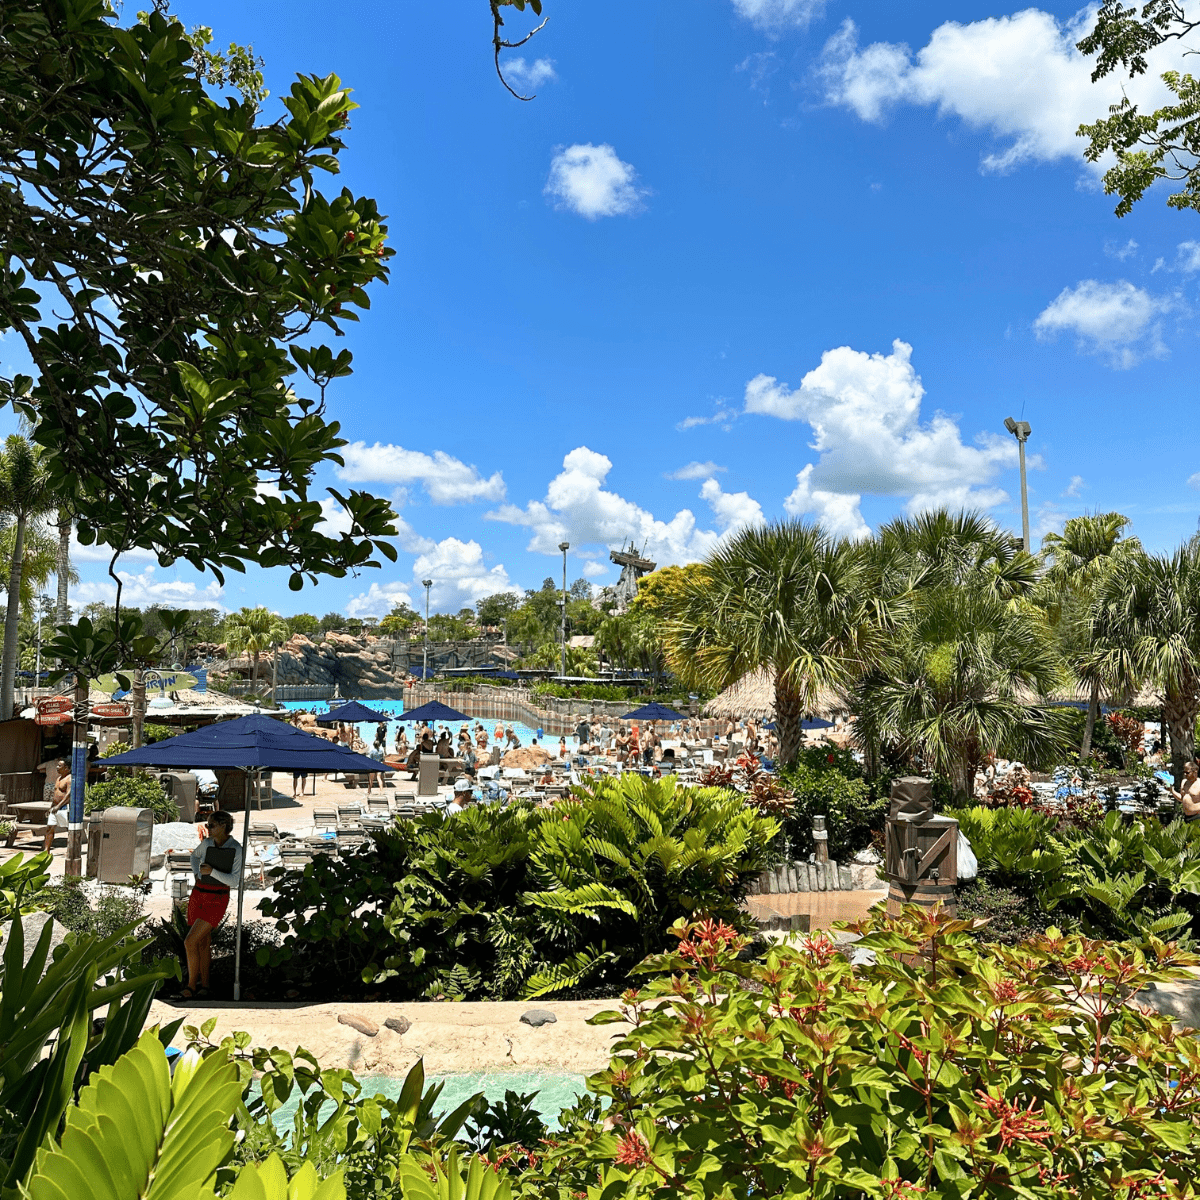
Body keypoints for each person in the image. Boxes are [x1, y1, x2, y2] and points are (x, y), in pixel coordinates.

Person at [182, 810, 243, 1000]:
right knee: (203, 942)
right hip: (199, 894)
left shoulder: (236, 848)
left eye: (211, 825)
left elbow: (234, 881)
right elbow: (194, 857)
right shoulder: (207, 844)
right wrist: (197, 874)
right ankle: (205, 985)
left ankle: (191, 985)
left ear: (223, 826)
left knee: (190, 941)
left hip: (217, 898)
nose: (207, 828)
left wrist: (212, 872)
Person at [43, 760, 71, 851]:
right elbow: (55, 794)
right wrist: (51, 807)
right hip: (55, 807)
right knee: (49, 828)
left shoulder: (70, 778)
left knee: (69, 829)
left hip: (64, 807)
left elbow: (69, 795)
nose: (57, 767)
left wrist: (59, 806)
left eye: (59, 766)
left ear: (66, 768)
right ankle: (46, 850)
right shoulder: (58, 778)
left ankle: (71, 850)